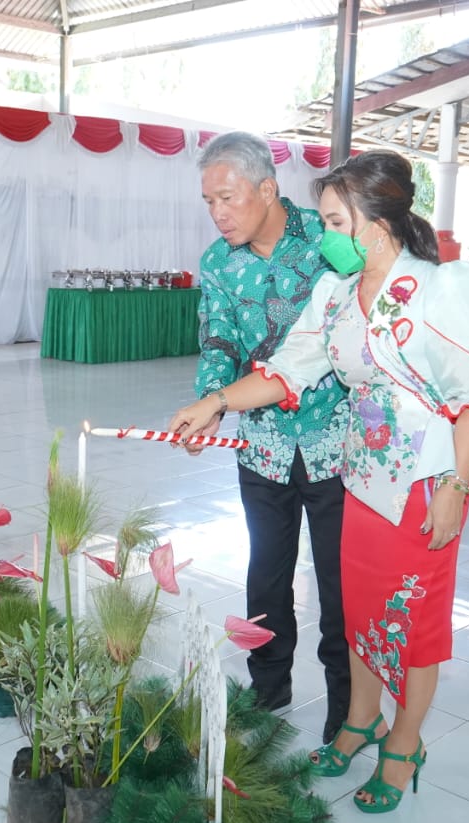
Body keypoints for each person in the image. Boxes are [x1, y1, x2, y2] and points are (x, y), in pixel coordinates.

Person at [171, 150, 469, 813]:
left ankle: (405, 741)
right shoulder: (335, 291)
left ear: (375, 219)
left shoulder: (444, 286)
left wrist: (455, 486)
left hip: (423, 480)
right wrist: (216, 403)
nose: (323, 233)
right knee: (358, 610)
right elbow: (286, 370)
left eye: (333, 219)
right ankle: (361, 718)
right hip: (360, 477)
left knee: (410, 621)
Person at [193, 131, 351, 742]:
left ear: (267, 187)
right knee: (266, 571)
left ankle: (346, 702)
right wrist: (211, 403)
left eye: (228, 198)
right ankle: (269, 684)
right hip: (261, 440)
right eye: (209, 202)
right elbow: (219, 342)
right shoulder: (217, 262)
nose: (219, 213)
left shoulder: (327, 238)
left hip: (336, 438)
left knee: (338, 579)